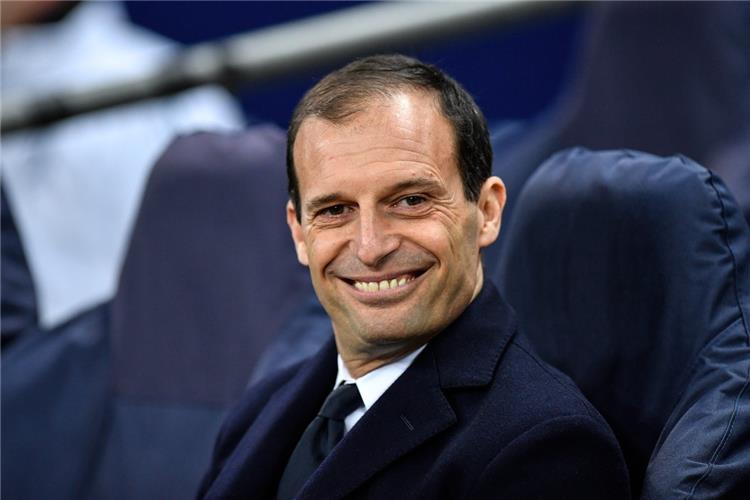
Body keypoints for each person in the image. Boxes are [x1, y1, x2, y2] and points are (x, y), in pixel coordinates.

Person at [199, 54, 630, 499]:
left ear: (486, 212)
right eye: (335, 210)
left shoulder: (545, 447)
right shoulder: (260, 410)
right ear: (299, 232)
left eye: (410, 201)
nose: (370, 247)